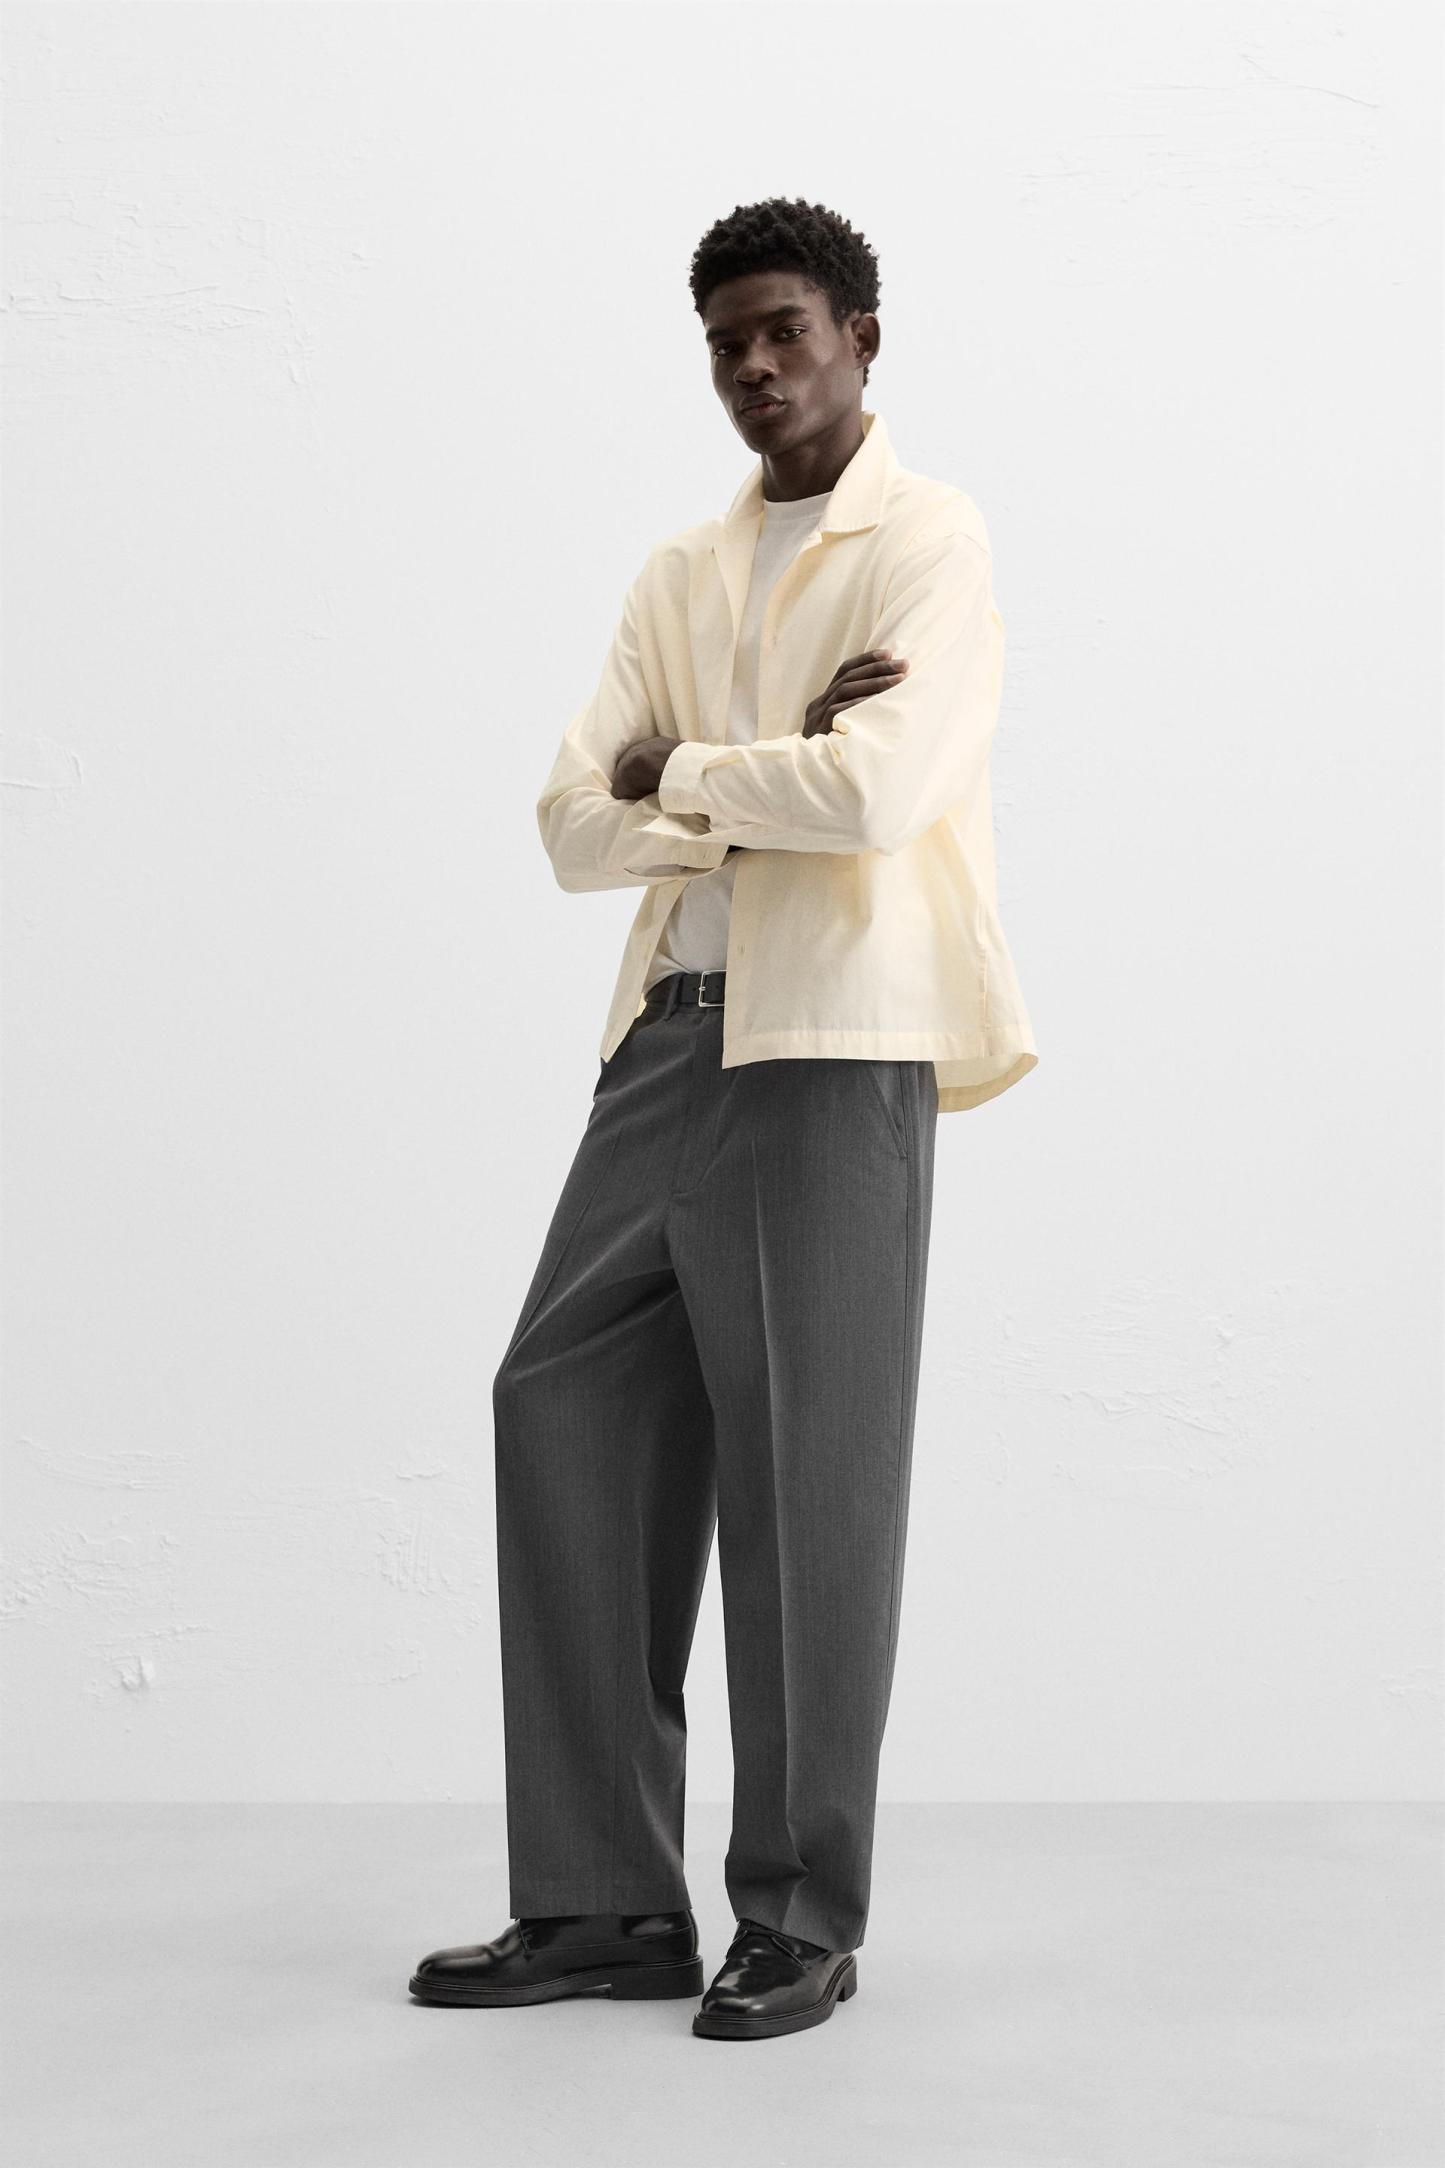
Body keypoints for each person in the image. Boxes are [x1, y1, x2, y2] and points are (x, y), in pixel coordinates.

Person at [409, 195, 1037, 2043]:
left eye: (784, 331)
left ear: (858, 338)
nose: (753, 367)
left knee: (804, 1473)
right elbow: (566, 826)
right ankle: (602, 1898)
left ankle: (799, 1913)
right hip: (666, 1041)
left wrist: (675, 769)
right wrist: (755, 779)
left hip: (830, 1044)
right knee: (560, 1401)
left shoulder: (927, 540)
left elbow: (877, 793)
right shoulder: (680, 573)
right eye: (724, 344)